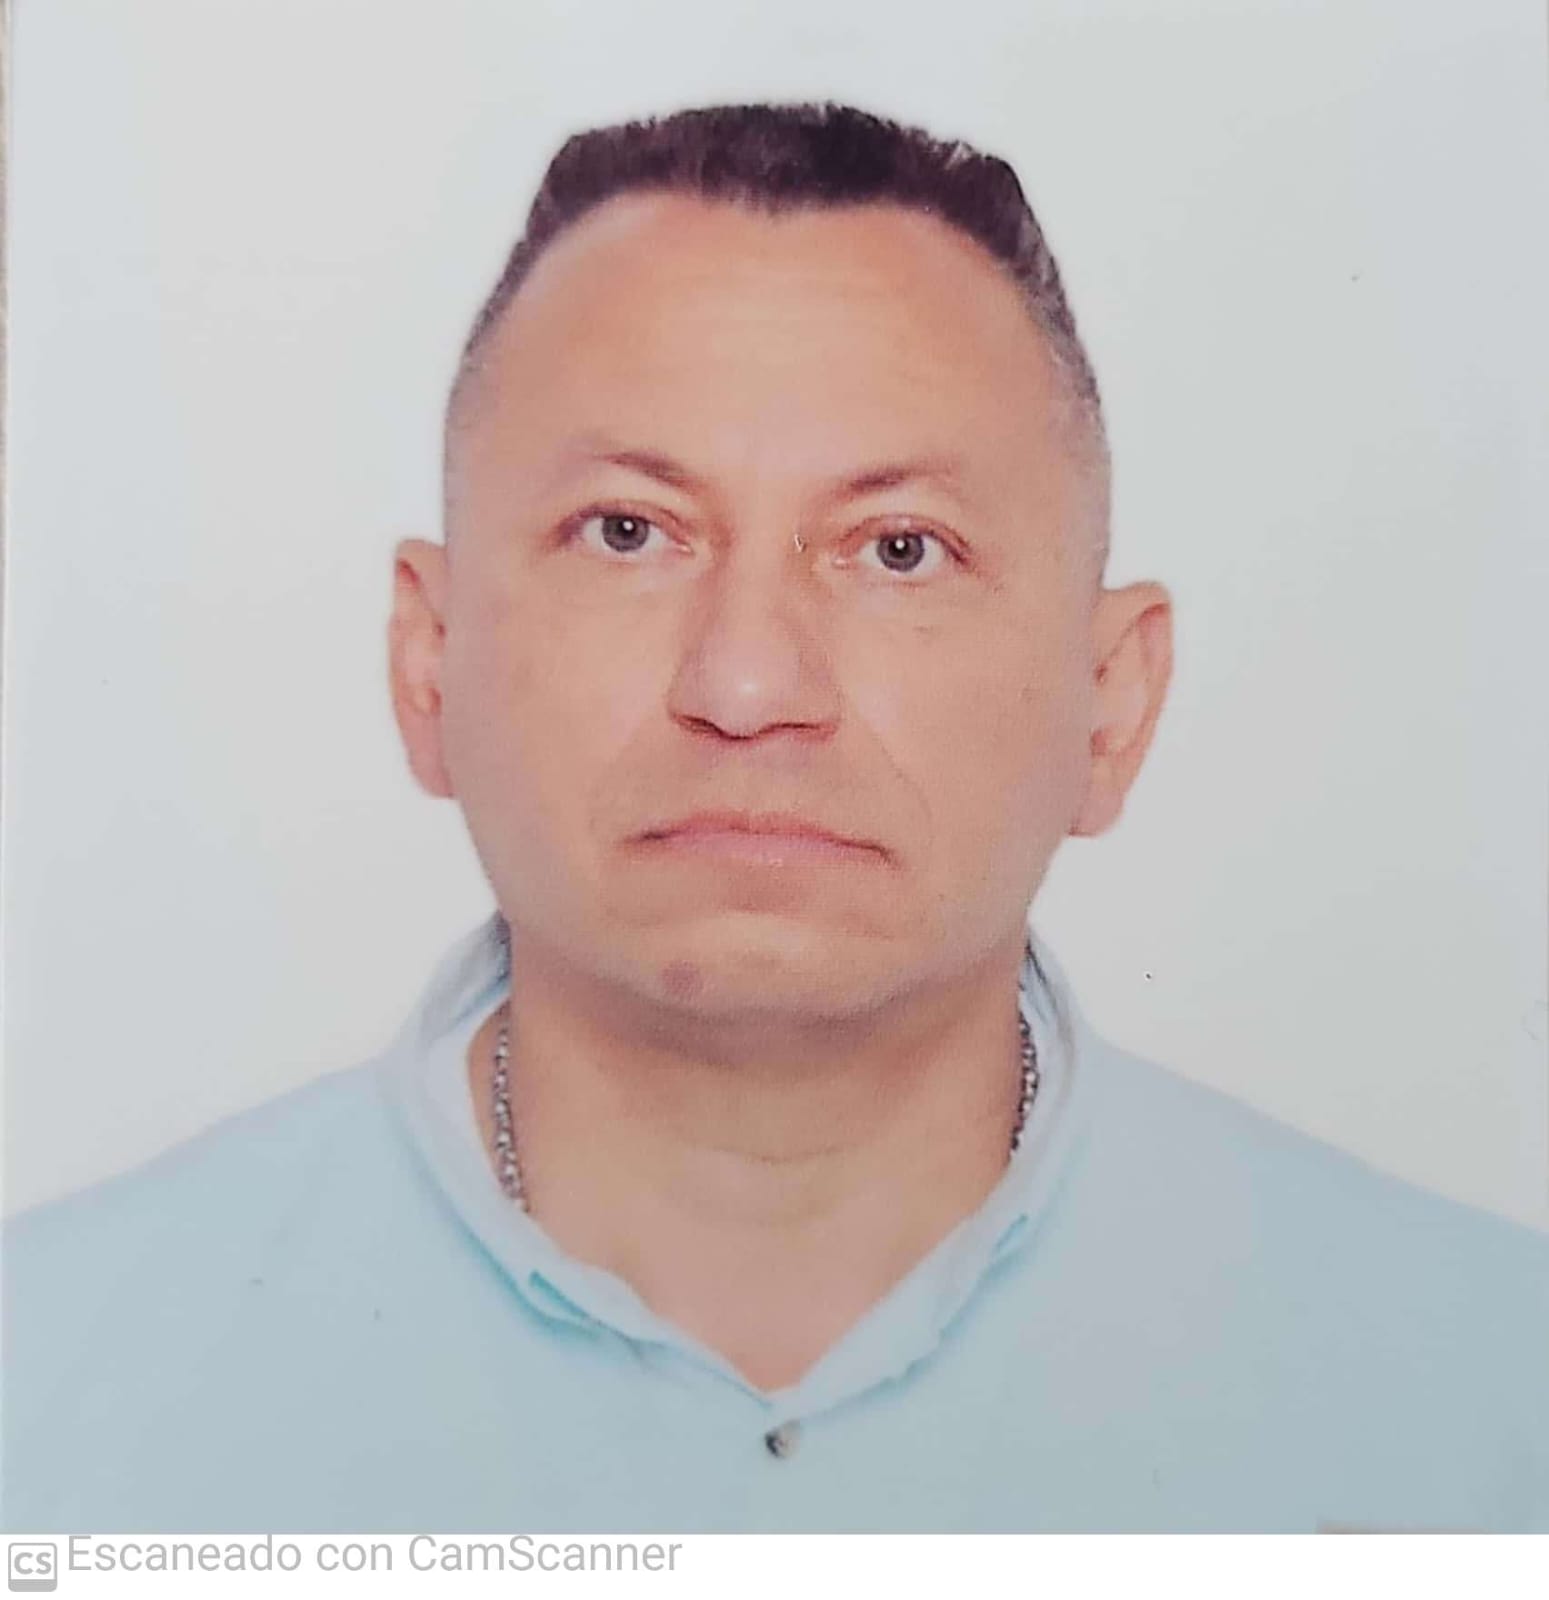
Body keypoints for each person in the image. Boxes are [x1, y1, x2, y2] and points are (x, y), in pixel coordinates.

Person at [4, 101, 1545, 1535]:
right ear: (430, 660)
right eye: (627, 531)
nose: (747, 685)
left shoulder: (1488, 1406)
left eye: (898, 549)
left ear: (1110, 700)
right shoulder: (49, 1392)